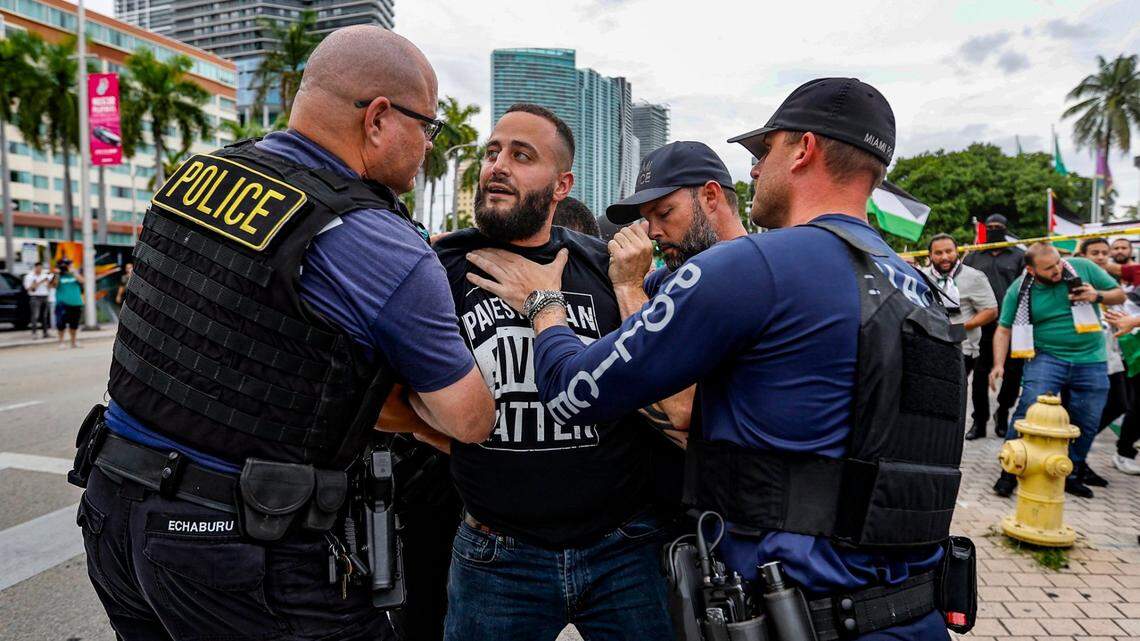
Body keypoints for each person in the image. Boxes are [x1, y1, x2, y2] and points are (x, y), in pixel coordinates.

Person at [466, 78, 966, 640]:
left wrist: (545, 305)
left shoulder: (756, 266)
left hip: (799, 614)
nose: (752, 172)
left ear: (803, 150)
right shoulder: (922, 288)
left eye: (764, 152)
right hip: (913, 612)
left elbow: (573, 392)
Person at [72, 26, 495, 641]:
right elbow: (468, 418)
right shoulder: (376, 240)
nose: (429, 144)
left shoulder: (193, 178)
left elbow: (241, 354)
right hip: (239, 548)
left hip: (112, 513)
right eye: (427, 126)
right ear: (378, 118)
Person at [432, 103, 673, 641]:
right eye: (492, 152)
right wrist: (471, 441)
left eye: (522, 155)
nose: (498, 165)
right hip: (498, 554)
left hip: (622, 548)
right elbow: (400, 398)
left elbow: (655, 381)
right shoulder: (443, 267)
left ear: (562, 184)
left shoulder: (604, 265)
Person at [604, 140, 747, 440]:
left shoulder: (751, 279)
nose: (654, 231)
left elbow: (682, 407)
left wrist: (629, 288)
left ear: (710, 196)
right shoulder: (669, 279)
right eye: (647, 218)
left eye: (665, 213)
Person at [990, 243, 1124, 498]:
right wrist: (998, 365)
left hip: (1091, 358)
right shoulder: (1019, 289)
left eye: (1058, 262)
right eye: (1049, 268)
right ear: (1031, 270)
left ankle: (1069, 472)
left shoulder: (1083, 267)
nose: (1058, 270)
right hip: (1047, 357)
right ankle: (1010, 470)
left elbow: (1119, 294)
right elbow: (1004, 328)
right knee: (1029, 407)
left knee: (1087, 418)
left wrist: (1096, 296)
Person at [921, 234, 998, 439]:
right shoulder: (922, 276)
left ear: (957, 252)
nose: (945, 257)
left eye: (949, 251)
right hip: (932, 342)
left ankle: (963, 428)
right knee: (936, 388)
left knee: (956, 389)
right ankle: (935, 429)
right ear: (930, 255)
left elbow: (990, 311)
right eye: (938, 253)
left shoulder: (974, 277)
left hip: (963, 345)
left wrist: (962, 326)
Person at [963, 213, 1025, 438]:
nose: (994, 229)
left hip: (1013, 326)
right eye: (990, 226)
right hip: (983, 326)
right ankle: (979, 421)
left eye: (999, 226)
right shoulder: (973, 257)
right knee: (979, 376)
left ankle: (1003, 412)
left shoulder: (1019, 256)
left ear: (1005, 229)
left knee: (1013, 375)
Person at [51, 258, 84, 349]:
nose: (67, 267)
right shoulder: (58, 276)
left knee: (74, 324)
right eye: (66, 265)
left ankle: (73, 342)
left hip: (76, 302)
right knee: (61, 324)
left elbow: (82, 281)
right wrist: (57, 274)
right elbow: (54, 285)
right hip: (62, 303)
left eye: (69, 265)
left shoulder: (74, 275)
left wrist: (74, 272)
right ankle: (61, 342)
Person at [23, 262, 52, 338]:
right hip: (35, 297)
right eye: (38, 268)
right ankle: (34, 333)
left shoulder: (45, 275)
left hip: (45, 296)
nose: (40, 269)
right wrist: (40, 282)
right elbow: (29, 289)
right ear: (35, 268)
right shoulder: (29, 276)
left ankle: (45, 333)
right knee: (35, 316)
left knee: (45, 316)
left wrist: (48, 282)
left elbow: (49, 287)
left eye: (41, 268)